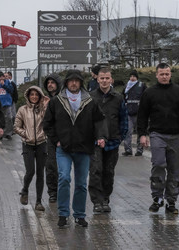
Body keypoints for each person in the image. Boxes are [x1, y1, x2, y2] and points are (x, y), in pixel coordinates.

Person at [43, 70, 106, 228]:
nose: (73, 83)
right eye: (70, 81)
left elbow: (99, 121)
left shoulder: (90, 101)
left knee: (81, 184)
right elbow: (48, 124)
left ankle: (79, 215)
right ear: (66, 83)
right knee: (64, 178)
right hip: (63, 148)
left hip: (84, 148)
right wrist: (56, 140)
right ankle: (63, 214)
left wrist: (101, 136)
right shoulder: (56, 101)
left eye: (76, 81)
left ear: (81, 83)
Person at [138, 63, 179, 215]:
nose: (164, 76)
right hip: (157, 134)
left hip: (176, 136)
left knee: (175, 169)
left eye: (167, 74)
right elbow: (142, 115)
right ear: (156, 75)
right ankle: (157, 197)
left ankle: (171, 200)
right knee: (159, 164)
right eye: (162, 74)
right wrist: (142, 134)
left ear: (170, 74)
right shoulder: (149, 93)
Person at [88, 67, 128, 213]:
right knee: (95, 170)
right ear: (97, 79)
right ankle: (96, 201)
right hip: (95, 142)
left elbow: (124, 119)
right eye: (101, 78)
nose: (104, 81)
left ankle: (105, 199)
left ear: (111, 79)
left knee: (108, 171)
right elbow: (87, 120)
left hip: (112, 142)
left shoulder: (118, 98)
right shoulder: (91, 97)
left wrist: (120, 137)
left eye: (107, 78)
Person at [14, 86, 48, 211]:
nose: (34, 97)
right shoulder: (22, 110)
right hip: (27, 144)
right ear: (28, 96)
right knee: (30, 171)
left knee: (40, 173)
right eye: (32, 94)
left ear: (40, 96)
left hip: (41, 143)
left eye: (36, 95)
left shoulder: (44, 110)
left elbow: (49, 122)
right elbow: (16, 127)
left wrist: (46, 105)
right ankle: (25, 190)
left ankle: (38, 202)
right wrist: (26, 134)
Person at [43, 73, 62, 203]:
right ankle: (53, 192)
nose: (50, 85)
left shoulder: (64, 99)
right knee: (51, 165)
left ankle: (63, 190)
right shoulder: (45, 100)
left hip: (66, 137)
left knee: (64, 168)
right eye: (48, 83)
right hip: (51, 138)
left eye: (53, 82)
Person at [123, 70, 146, 156]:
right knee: (128, 132)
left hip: (139, 112)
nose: (132, 78)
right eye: (131, 76)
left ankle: (139, 150)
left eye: (134, 76)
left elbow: (146, 97)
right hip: (128, 112)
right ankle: (128, 150)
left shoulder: (142, 85)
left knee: (140, 131)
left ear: (137, 77)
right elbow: (123, 97)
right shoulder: (126, 86)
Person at [0, 72, 15, 141]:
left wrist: (4, 85)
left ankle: (8, 133)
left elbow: (11, 90)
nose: (1, 78)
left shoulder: (8, 82)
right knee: (0, 120)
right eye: (0, 77)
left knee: (9, 118)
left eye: (3, 77)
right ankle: (0, 134)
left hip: (7, 103)